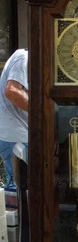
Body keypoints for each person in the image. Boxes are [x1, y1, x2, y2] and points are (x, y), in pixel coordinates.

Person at [0, 49, 28, 192]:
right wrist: (42, 111)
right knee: (23, 191)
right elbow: (12, 91)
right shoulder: (24, 57)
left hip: (15, 136)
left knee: (20, 190)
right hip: (18, 137)